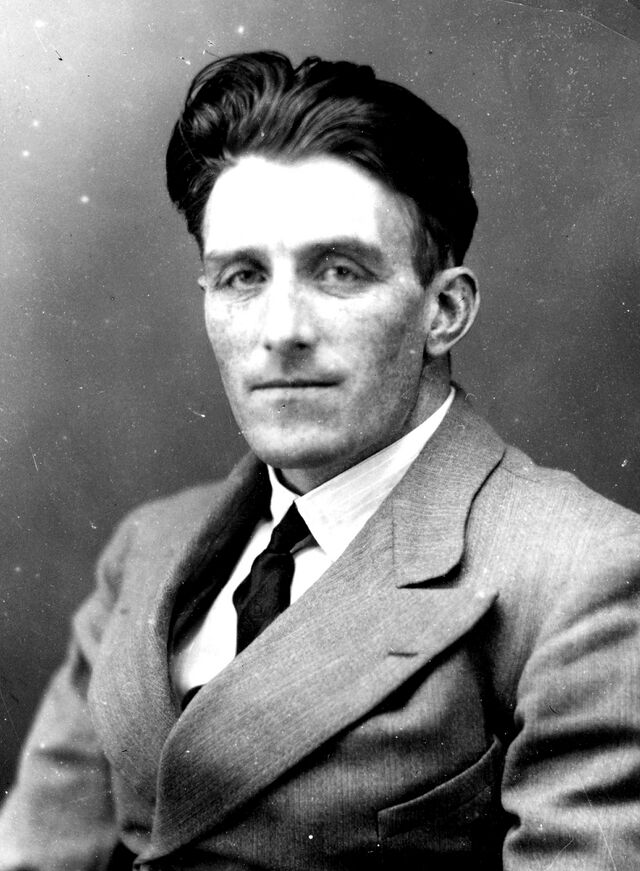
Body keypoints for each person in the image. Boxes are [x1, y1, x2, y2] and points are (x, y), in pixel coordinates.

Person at [1, 50, 639, 871]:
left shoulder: (584, 573)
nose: (281, 330)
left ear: (444, 310)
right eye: (242, 276)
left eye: (338, 271)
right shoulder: (149, 546)